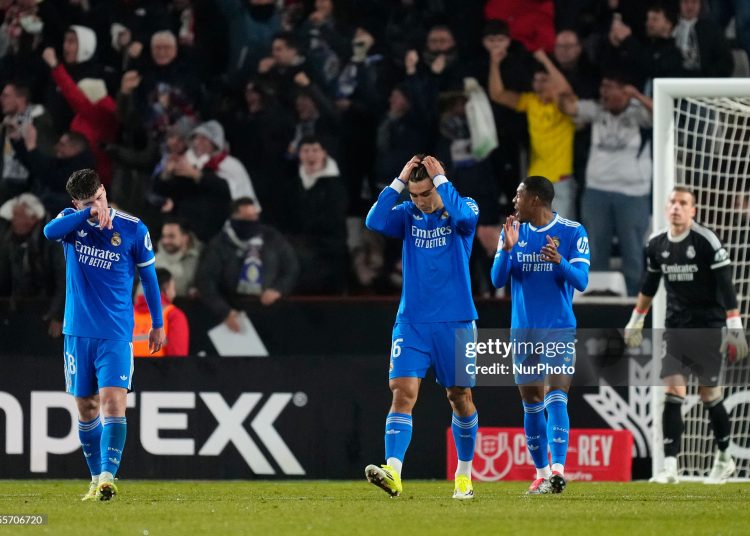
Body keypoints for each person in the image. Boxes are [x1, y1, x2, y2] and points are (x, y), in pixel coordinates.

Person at [42, 168, 165, 501]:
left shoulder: (134, 229)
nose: (97, 206)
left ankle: (109, 477)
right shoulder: (70, 222)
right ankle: (96, 478)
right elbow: (49, 232)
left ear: (104, 190)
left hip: (115, 332)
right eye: (87, 203)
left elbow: (150, 279)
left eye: (99, 198)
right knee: (85, 407)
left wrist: (157, 322)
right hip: (77, 332)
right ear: (76, 203)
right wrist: (86, 216)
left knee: (114, 404)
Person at [364, 155, 480, 500]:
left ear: (438, 185)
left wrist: (442, 181)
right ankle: (394, 471)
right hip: (412, 321)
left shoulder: (463, 207)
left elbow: (463, 217)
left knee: (459, 397)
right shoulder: (408, 215)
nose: (419, 201)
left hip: (456, 320)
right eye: (413, 195)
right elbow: (374, 221)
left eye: (425, 193)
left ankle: (464, 474)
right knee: (402, 391)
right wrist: (399, 182)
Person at [624, 186, 748, 484]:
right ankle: (669, 467)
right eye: (673, 202)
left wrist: (734, 325)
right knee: (673, 390)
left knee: (709, 394)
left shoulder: (706, 241)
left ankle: (723, 457)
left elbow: (726, 283)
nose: (677, 207)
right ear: (666, 208)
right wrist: (635, 320)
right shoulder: (656, 243)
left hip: (708, 323)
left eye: (683, 203)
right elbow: (649, 284)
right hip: (677, 325)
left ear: (693, 210)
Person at [490, 176, 590, 494]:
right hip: (524, 332)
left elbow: (582, 281)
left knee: (556, 395)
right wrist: (506, 249)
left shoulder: (572, 232)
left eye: (519, 195)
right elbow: (496, 280)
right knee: (532, 402)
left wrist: (560, 262)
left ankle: (559, 469)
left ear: (535, 199)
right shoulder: (512, 233)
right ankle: (542, 473)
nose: (514, 201)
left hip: (559, 327)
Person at [196, 197, 299, 332]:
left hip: (270, 309)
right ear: (234, 218)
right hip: (233, 311)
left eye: (254, 216)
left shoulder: (272, 238)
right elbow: (206, 281)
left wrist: (279, 288)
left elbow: (291, 266)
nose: (252, 222)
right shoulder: (219, 244)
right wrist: (224, 311)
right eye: (246, 218)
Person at [133, 267, 189, 357]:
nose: (174, 294)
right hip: (160, 370)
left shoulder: (125, 315)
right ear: (166, 288)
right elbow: (178, 361)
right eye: (173, 288)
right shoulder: (173, 315)